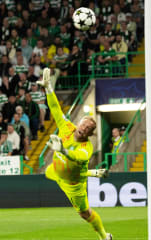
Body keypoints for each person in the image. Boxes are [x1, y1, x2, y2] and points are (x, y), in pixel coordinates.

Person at [38, 68, 112, 240]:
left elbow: (78, 157)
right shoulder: (67, 128)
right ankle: (89, 173)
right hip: (59, 172)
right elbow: (55, 108)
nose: (83, 128)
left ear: (89, 133)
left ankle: (104, 236)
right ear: (78, 123)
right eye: (83, 125)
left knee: (85, 214)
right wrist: (48, 89)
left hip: (73, 185)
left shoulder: (87, 148)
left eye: (88, 129)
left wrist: (63, 151)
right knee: (50, 171)